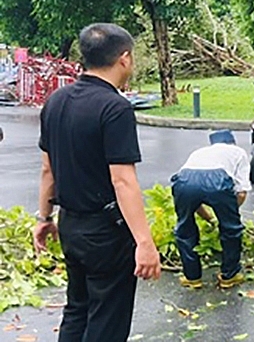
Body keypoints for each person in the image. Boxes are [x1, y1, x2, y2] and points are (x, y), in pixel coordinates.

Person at [33, 24, 161, 342]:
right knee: (107, 321)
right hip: (106, 234)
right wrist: (145, 243)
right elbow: (123, 181)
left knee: (77, 310)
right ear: (125, 58)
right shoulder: (115, 108)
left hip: (70, 227)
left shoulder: (56, 101)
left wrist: (44, 218)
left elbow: (48, 170)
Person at [171, 130, 251, 290]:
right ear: (232, 142)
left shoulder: (200, 153)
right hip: (217, 180)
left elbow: (195, 203)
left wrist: (210, 219)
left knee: (184, 228)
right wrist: (228, 214)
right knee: (231, 230)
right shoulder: (238, 152)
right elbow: (241, 192)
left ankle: (192, 278)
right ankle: (230, 275)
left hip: (184, 180)